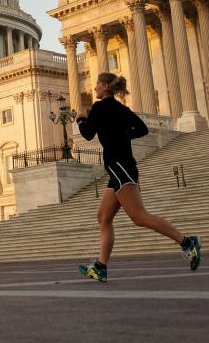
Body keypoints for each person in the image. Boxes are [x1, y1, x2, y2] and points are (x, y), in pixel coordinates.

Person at [76, 72, 201, 282]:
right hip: (121, 168)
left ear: (106, 86)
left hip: (119, 167)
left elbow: (88, 134)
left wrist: (80, 119)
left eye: (97, 84)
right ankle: (101, 266)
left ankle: (187, 242)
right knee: (104, 217)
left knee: (139, 217)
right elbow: (142, 129)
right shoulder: (122, 109)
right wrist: (123, 135)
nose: (94, 88)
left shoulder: (98, 108)